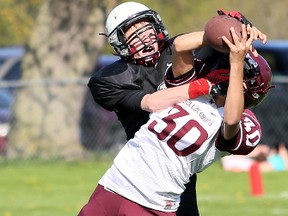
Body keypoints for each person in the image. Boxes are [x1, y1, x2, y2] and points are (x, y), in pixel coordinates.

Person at [87, 2, 267, 215]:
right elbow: (153, 103)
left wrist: (236, 31)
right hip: (133, 165)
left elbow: (231, 119)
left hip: (174, 179)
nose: (143, 36)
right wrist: (207, 82)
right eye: (132, 32)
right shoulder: (110, 79)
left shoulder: (225, 109)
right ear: (120, 42)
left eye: (144, 27)